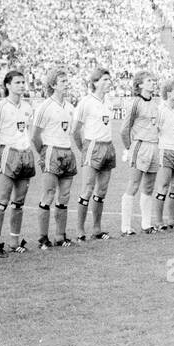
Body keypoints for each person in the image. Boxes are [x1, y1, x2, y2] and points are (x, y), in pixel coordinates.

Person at [0, 69, 37, 256]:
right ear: (8, 85)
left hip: (25, 154)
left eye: (23, 82)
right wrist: (1, 158)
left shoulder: (27, 107)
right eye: (17, 82)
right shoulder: (0, 107)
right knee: (3, 201)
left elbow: (27, 132)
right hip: (8, 154)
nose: (21, 85)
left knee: (19, 202)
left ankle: (14, 241)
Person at [31, 69, 77, 248]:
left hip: (67, 151)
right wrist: (43, 153)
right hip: (51, 151)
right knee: (48, 193)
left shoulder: (70, 107)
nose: (66, 83)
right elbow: (35, 135)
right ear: (53, 85)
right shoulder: (45, 107)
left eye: (67, 80)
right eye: (62, 81)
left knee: (64, 195)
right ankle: (43, 238)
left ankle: (60, 236)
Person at [71, 67, 116, 241]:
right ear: (95, 82)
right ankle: (80, 230)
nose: (108, 82)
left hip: (108, 146)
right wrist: (84, 148)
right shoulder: (86, 102)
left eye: (109, 79)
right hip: (92, 146)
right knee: (87, 188)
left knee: (102, 190)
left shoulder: (109, 101)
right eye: (104, 79)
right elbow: (75, 130)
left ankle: (97, 229)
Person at [119, 70, 161, 235]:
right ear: (140, 84)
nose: (152, 82)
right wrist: (130, 148)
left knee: (149, 186)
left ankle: (146, 225)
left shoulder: (154, 103)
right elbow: (124, 130)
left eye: (152, 80)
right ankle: (126, 227)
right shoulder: (135, 102)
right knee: (134, 184)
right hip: (140, 146)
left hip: (154, 146)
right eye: (148, 80)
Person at [153, 78, 174, 229]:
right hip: (166, 151)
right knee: (163, 186)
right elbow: (155, 131)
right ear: (168, 93)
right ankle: (159, 222)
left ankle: (171, 221)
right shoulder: (160, 110)